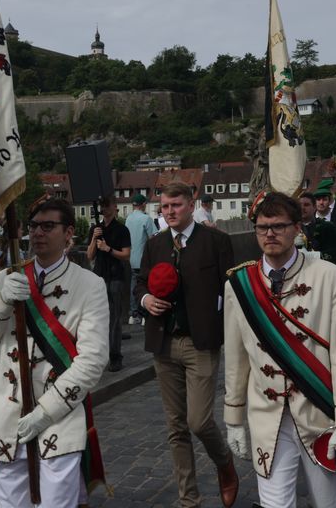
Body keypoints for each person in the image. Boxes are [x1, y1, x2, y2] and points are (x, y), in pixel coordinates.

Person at [224, 192, 336, 508]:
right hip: (266, 414)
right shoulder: (238, 284)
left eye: (278, 226)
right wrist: (233, 417)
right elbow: (236, 358)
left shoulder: (330, 277)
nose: (269, 234)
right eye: (262, 227)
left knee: (328, 502)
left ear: (297, 228)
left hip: (319, 411)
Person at [0, 198, 109, 508]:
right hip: (7, 413)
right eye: (34, 226)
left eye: (48, 226)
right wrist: (2, 301)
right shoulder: (5, 278)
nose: (38, 233)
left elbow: (92, 361)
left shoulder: (90, 285)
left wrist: (45, 411)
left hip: (58, 416)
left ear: (68, 233)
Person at [136, 181, 238, 508]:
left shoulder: (216, 241)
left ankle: (224, 462)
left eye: (176, 205)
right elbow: (140, 282)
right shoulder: (155, 244)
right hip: (164, 343)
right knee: (176, 427)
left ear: (190, 204)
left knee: (198, 421)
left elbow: (233, 289)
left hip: (201, 343)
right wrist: (145, 298)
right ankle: (188, 499)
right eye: (164, 207)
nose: (170, 212)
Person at [85, 195, 131, 371]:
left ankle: (115, 355)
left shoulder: (122, 230)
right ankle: (101, 354)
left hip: (116, 276)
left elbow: (126, 254)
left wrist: (108, 249)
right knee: (99, 317)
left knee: (115, 317)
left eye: (107, 205)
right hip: (99, 277)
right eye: (102, 205)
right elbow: (90, 256)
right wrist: (93, 240)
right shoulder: (96, 229)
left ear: (114, 207)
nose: (104, 208)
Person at [299, 192, 336, 272]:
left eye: (306, 205)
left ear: (314, 207)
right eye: (299, 205)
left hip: (324, 273)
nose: (302, 208)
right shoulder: (290, 228)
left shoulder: (328, 226)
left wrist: (315, 255)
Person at [125, 194, 158, 325]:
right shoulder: (146, 219)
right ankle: (145, 315)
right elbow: (154, 239)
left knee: (133, 286)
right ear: (143, 204)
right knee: (146, 287)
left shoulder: (128, 219)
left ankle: (133, 314)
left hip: (131, 259)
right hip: (144, 259)